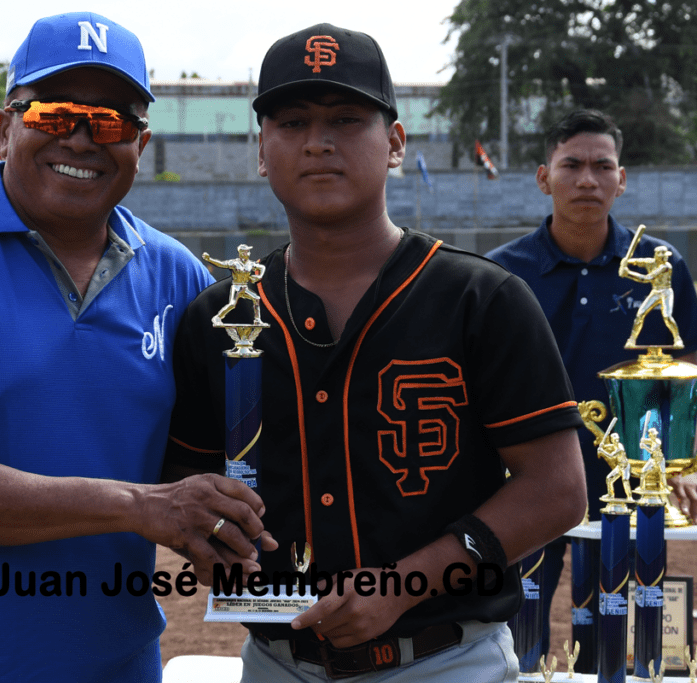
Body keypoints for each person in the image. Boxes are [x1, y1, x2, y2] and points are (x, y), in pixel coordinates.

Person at [0, 12, 269, 682]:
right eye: (54, 112)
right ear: (3, 128)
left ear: (141, 143)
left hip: (119, 663)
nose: (81, 136)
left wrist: (250, 540)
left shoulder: (178, 275)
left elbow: (208, 467)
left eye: (110, 122)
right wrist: (142, 507)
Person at [163, 24, 587, 682]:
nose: (318, 141)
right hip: (277, 662)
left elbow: (558, 490)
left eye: (346, 118)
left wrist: (403, 584)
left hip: (447, 661)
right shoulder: (218, 317)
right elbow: (187, 488)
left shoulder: (482, 297)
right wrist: (209, 541)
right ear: (261, 150)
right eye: (292, 122)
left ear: (394, 142)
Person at [486, 109, 697, 657]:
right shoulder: (500, 274)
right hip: (525, 477)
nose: (587, 180)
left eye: (602, 167)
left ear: (621, 180)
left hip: (627, 477)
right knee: (518, 626)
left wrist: (682, 463)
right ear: (544, 177)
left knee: (615, 627)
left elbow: (686, 369)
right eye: (571, 165)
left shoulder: (662, 265)